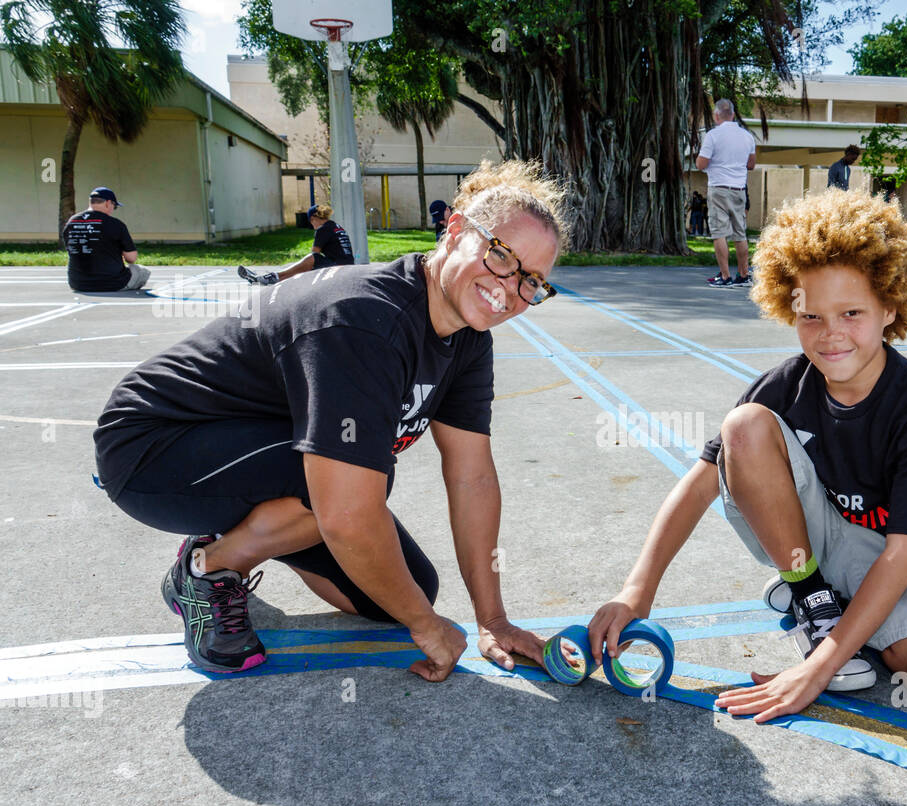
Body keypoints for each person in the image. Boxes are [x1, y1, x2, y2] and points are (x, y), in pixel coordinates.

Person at [93, 160, 567, 681]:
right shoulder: (364, 321)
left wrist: (492, 620)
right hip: (153, 446)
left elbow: (472, 475)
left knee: (402, 591)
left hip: (264, 453)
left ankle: (256, 529)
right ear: (454, 230)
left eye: (532, 281)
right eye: (502, 256)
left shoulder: (469, 342)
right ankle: (208, 568)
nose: (510, 288)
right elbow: (346, 514)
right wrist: (426, 627)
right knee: (357, 491)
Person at [588, 188, 907, 715]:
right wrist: (636, 592)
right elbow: (700, 484)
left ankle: (837, 617)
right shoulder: (784, 385)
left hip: (888, 557)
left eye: (851, 313)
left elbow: (905, 552)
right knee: (744, 426)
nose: (830, 334)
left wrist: (813, 673)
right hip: (812, 541)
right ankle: (811, 594)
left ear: (890, 306)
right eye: (811, 316)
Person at [697, 98, 757, 288]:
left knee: (719, 233)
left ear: (716, 116)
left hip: (718, 189)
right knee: (740, 233)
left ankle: (725, 276)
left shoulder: (712, 136)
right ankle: (744, 275)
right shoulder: (747, 136)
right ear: (732, 115)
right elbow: (751, 165)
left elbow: (701, 164)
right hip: (739, 190)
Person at [238, 203, 354, 286]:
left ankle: (275, 277)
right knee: (298, 265)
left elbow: (315, 254)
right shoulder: (335, 226)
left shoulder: (323, 229)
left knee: (311, 258)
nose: (313, 226)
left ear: (314, 218)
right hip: (347, 266)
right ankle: (277, 276)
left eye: (311, 223)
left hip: (337, 267)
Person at [62, 187, 150, 292]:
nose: (113, 210)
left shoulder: (71, 222)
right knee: (143, 271)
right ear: (108, 203)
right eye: (114, 206)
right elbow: (131, 258)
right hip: (113, 283)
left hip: (77, 283)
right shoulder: (116, 224)